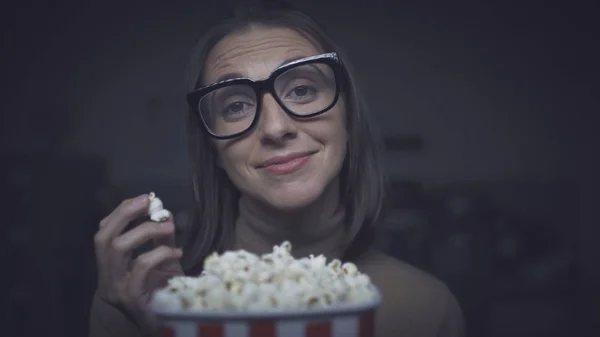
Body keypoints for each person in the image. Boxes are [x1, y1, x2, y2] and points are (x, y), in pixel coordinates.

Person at [89, 2, 465, 337]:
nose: (275, 128)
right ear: (214, 149)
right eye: (236, 106)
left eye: (302, 90)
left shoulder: (425, 310)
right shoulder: (136, 300)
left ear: (347, 120)